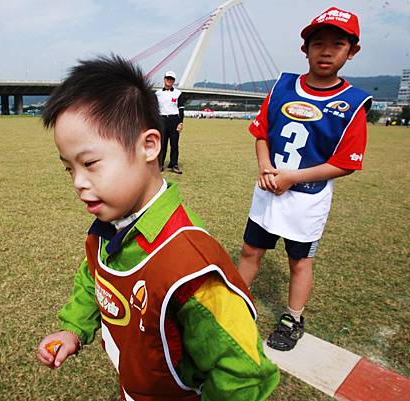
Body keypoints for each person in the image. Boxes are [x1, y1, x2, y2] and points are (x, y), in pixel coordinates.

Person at [36, 55, 279, 401]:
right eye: (69, 169)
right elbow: (95, 278)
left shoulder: (191, 267)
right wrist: (73, 329)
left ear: (149, 145)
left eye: (90, 164)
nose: (78, 182)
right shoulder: (107, 228)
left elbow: (244, 373)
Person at [237, 7, 372, 351]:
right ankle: (235, 303)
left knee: (299, 261)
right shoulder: (284, 85)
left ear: (351, 51)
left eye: (337, 44)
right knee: (251, 249)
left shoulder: (353, 103)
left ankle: (293, 317)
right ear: (305, 48)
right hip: (269, 189)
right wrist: (265, 166)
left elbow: (345, 163)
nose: (326, 51)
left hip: (306, 199)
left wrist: (293, 177)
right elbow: (262, 132)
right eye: (318, 43)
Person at [156, 70, 185, 174]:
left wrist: (180, 123)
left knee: (174, 144)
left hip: (174, 120)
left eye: (171, 79)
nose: (169, 80)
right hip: (162, 120)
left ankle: (174, 164)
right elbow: (155, 110)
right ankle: (160, 164)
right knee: (162, 144)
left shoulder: (178, 93)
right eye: (167, 78)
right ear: (164, 79)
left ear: (174, 81)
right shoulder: (157, 94)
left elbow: (181, 109)